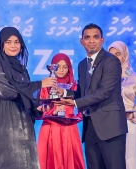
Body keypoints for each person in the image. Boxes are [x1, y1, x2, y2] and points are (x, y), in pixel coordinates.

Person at [0, 27, 56, 169]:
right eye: (8, 42)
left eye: (17, 42)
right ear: (2, 44)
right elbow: (7, 91)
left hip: (20, 118)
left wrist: (38, 107)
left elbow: (24, 94)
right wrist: (40, 84)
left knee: (22, 161)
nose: (13, 45)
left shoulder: (21, 67)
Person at [55, 23, 128, 169]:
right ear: (82, 41)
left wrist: (75, 103)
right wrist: (63, 93)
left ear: (102, 40)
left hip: (110, 126)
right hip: (90, 127)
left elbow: (104, 91)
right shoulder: (82, 64)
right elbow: (82, 92)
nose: (91, 41)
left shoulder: (111, 61)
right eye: (87, 37)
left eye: (95, 37)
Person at [37, 53, 85, 169]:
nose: (61, 70)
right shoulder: (46, 86)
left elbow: (82, 109)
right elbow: (38, 110)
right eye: (58, 66)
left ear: (69, 68)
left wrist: (73, 117)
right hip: (50, 128)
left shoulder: (75, 87)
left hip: (69, 129)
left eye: (65, 66)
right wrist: (52, 111)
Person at [108, 41, 136, 169]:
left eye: (118, 54)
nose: (114, 57)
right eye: (111, 54)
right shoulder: (104, 77)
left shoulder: (135, 78)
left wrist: (134, 115)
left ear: (125, 55)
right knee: (111, 159)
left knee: (130, 158)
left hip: (129, 123)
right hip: (109, 123)